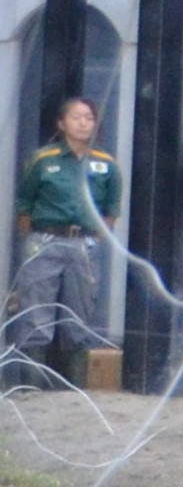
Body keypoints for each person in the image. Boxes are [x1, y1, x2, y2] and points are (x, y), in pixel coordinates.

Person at [10, 93, 119, 365]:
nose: (83, 123)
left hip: (83, 243)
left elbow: (111, 209)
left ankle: (72, 383)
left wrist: (95, 238)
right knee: (36, 311)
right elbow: (25, 202)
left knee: (79, 312)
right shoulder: (43, 160)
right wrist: (33, 237)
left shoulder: (106, 164)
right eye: (76, 117)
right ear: (61, 123)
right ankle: (32, 383)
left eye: (89, 118)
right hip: (45, 239)